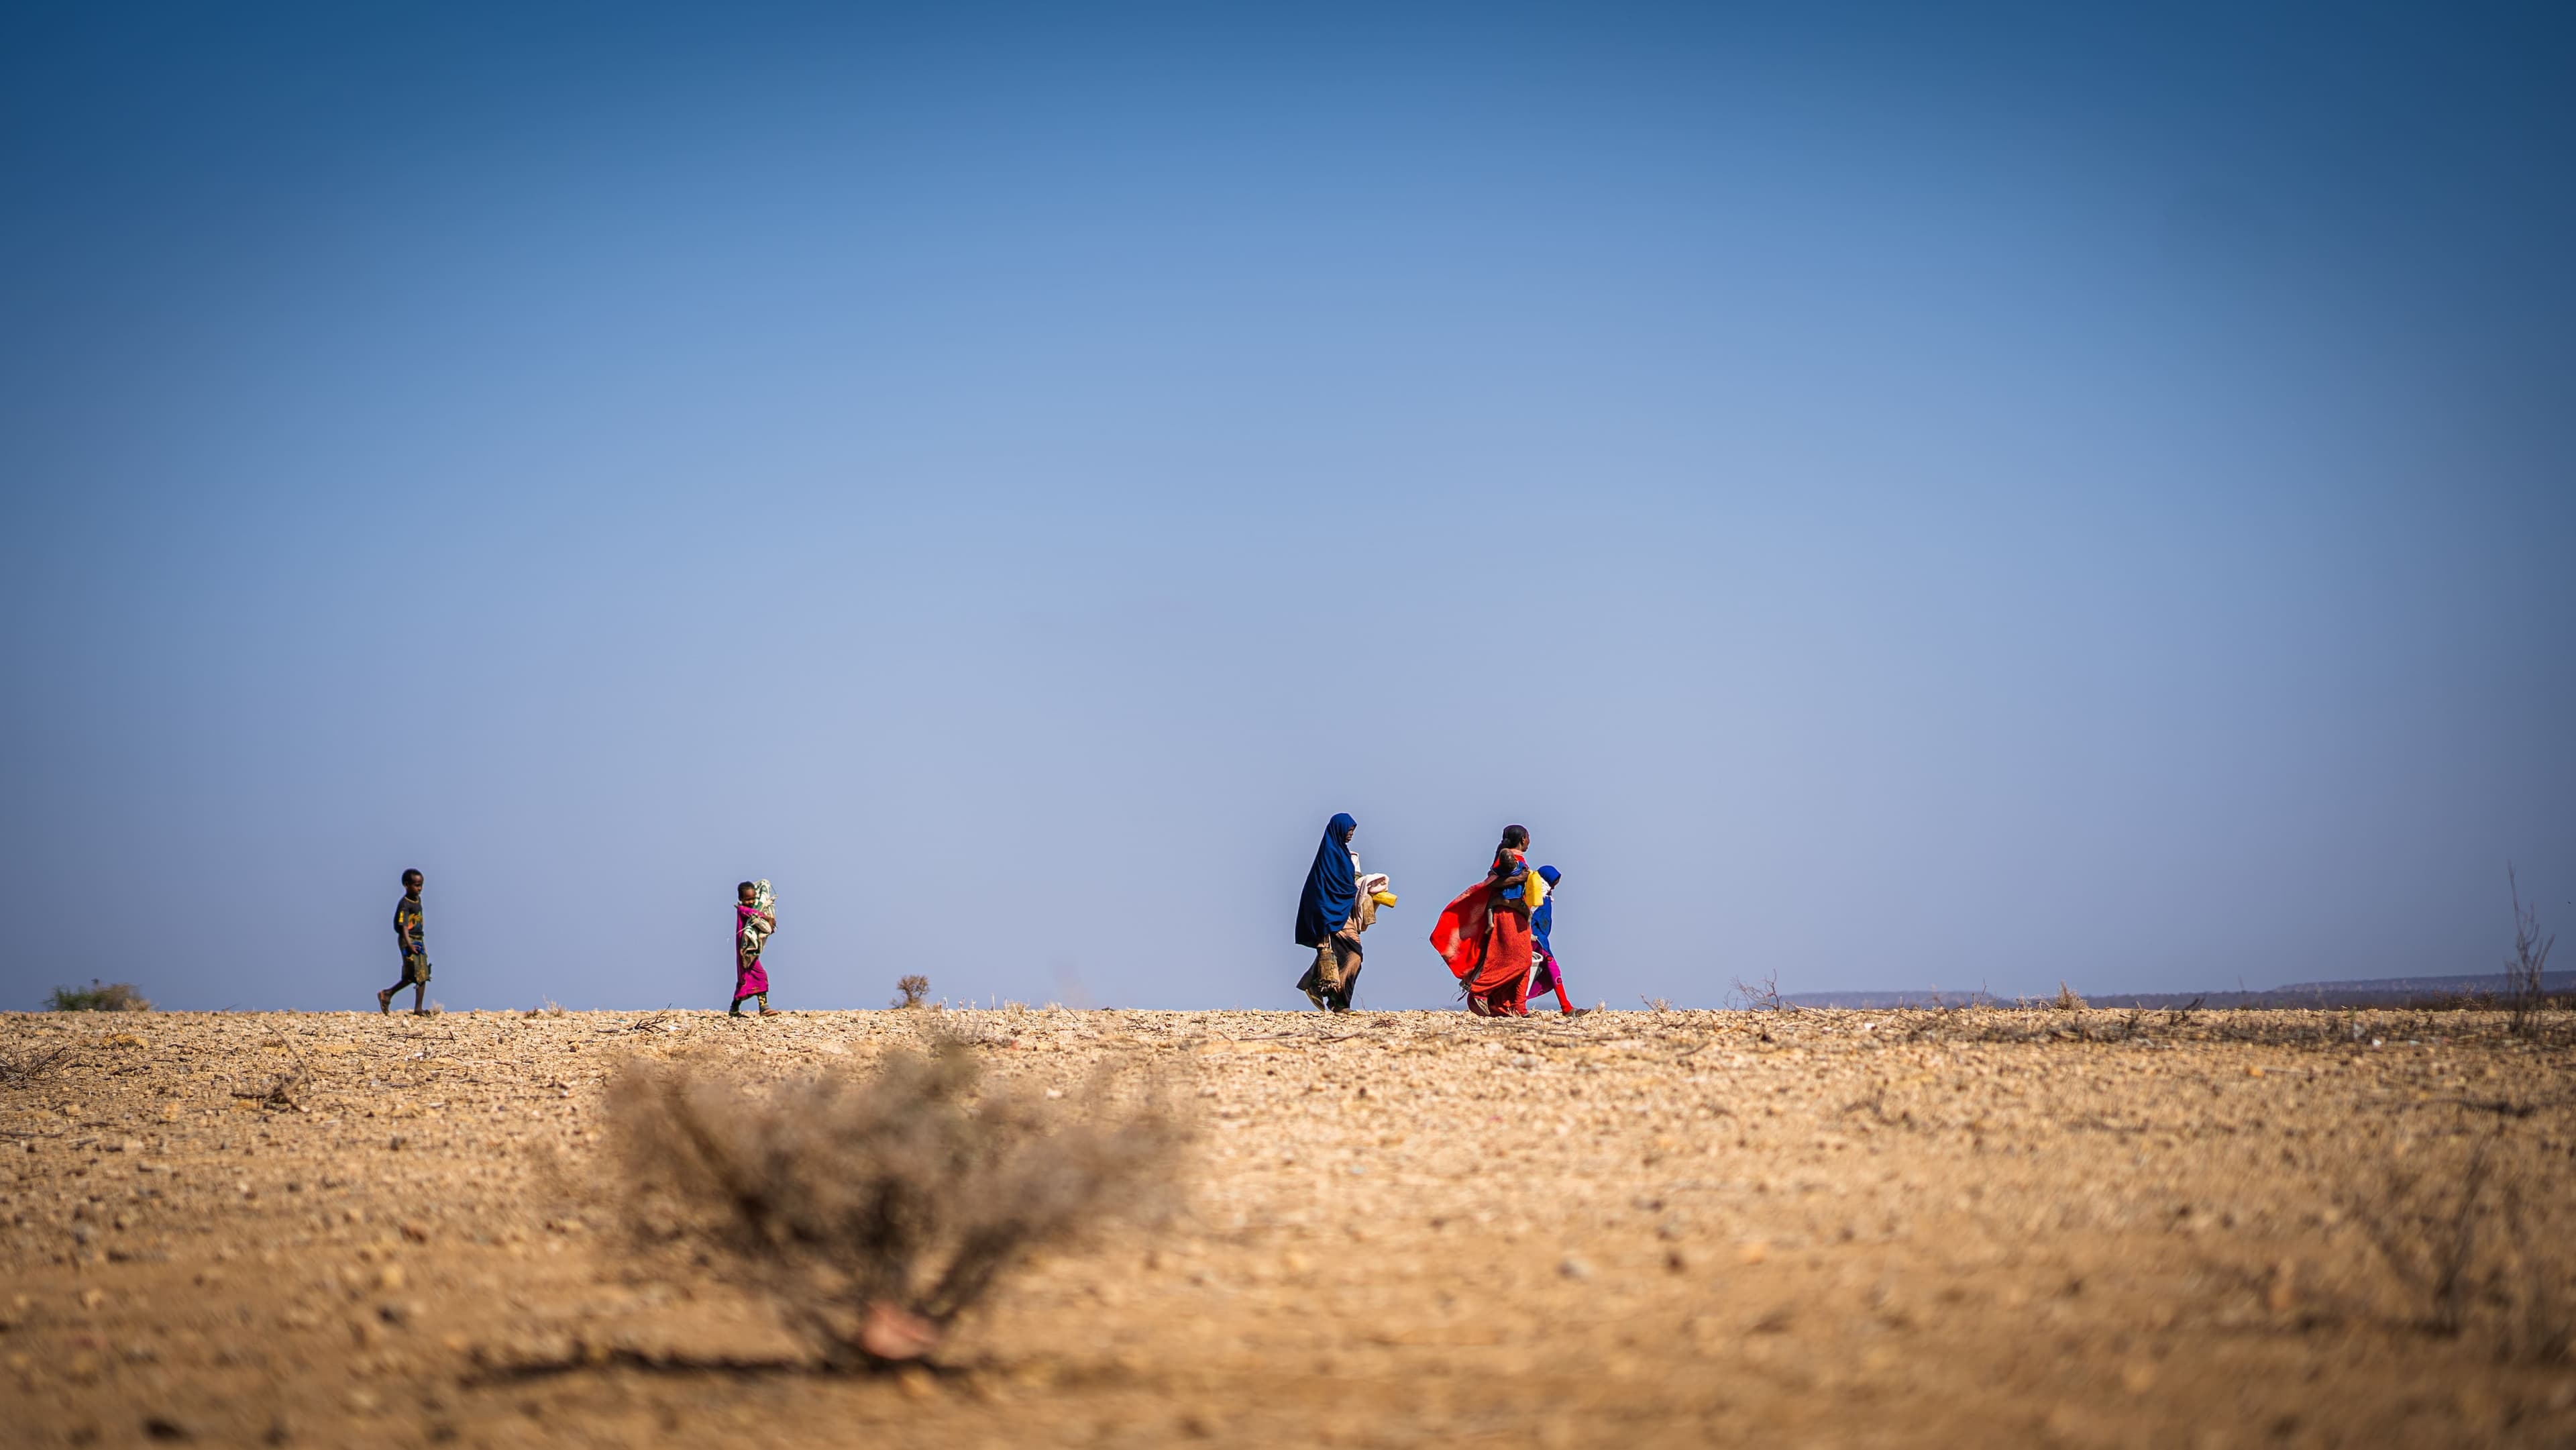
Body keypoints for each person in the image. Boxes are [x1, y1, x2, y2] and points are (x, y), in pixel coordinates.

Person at [1432, 825, 1542, 1016]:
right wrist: (1522, 879)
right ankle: (1480, 991)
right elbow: (1494, 882)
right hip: (1508, 914)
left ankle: (1517, 1006)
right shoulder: (1509, 858)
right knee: (1519, 961)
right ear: (1523, 839)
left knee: (1524, 961)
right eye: (1528, 837)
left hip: (1518, 914)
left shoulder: (1517, 860)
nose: (1529, 841)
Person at [1294, 813, 1368, 1011]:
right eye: (1349, 830)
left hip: (1344, 912)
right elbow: (1321, 891)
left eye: (1353, 831)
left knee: (1347, 956)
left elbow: (1347, 884)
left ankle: (1315, 985)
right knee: (1354, 956)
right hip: (1330, 914)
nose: (1351, 834)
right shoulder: (1328, 858)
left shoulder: (1346, 855)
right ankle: (1339, 1003)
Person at [1523, 865, 1585, 1015]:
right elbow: (1528, 918)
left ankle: (1566, 1006)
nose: (1555, 887)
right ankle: (1566, 1007)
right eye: (1554, 883)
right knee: (1550, 970)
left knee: (1532, 974)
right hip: (1536, 942)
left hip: (1541, 941)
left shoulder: (1545, 896)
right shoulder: (1535, 897)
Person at [377, 868, 431, 1016]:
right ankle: (416, 1008)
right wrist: (409, 944)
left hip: (419, 939)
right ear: (407, 885)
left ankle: (388, 994)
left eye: (421, 885)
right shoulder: (405, 904)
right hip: (409, 941)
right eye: (416, 885)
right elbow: (404, 927)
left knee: (419, 974)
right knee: (418, 973)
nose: (419, 889)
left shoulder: (417, 900)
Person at [731, 880, 778, 1017]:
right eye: (748, 899)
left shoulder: (749, 909)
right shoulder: (742, 910)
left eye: (753, 898)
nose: (751, 902)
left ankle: (734, 1009)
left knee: (743, 982)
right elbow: (752, 913)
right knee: (760, 975)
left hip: (750, 952)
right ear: (741, 899)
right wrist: (766, 917)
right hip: (745, 952)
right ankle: (764, 1007)